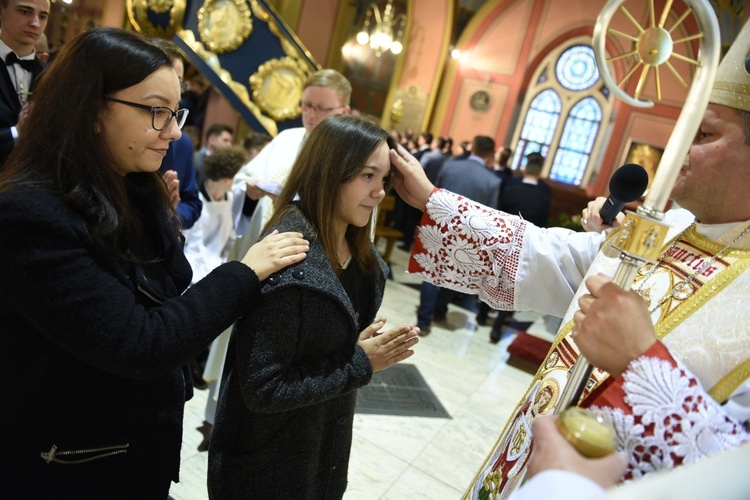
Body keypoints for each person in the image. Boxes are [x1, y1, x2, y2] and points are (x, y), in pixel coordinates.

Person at [388, 19, 750, 498]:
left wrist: (643, 363)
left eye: (703, 134)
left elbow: (731, 474)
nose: (678, 148)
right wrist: (434, 200)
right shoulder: (672, 228)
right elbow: (555, 257)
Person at [0, 28, 309, 498]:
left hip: (131, 443)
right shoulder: (31, 214)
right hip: (73, 462)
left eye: (175, 112)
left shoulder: (127, 184)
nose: (175, 131)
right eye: (156, 112)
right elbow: (143, 342)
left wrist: (162, 218)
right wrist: (244, 271)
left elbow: (171, 280)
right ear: (92, 107)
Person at [208, 115, 420, 498]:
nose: (379, 193)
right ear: (329, 172)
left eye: (384, 179)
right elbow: (264, 388)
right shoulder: (290, 257)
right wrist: (361, 362)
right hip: (268, 464)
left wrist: (355, 347)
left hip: (324, 446)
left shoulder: (362, 255)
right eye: (367, 176)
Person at [232, 68, 352, 249]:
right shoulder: (285, 139)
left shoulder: (351, 158)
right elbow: (242, 180)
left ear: (344, 111)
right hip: (260, 244)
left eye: (321, 108)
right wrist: (249, 193)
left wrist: (288, 205)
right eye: (306, 105)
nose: (311, 115)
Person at [416, 134, 502, 335]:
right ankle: (439, 311)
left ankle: (424, 319)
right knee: (454, 274)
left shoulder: (450, 166)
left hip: (441, 226)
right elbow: (492, 214)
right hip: (469, 235)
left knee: (432, 273)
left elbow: (434, 196)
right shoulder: (492, 181)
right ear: (490, 154)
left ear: (472, 148)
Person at [476, 151, 551, 341]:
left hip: (503, 240)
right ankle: (498, 326)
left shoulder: (511, 187)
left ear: (525, 167)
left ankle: (482, 313)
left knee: (493, 274)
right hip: (526, 246)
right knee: (512, 283)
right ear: (541, 171)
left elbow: (498, 213)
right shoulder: (544, 195)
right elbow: (543, 225)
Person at [151, 37, 203, 229]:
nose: (176, 92)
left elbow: (193, 205)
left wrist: (170, 212)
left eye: (180, 84)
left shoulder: (182, 144)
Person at [0, 0, 48, 166]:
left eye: (42, 16)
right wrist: (16, 132)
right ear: (1, 10)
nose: (35, 23)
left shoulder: (52, 76)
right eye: (25, 11)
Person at [194, 122, 234, 187]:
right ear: (211, 139)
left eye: (230, 142)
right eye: (225, 140)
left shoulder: (224, 164)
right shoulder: (195, 160)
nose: (229, 145)